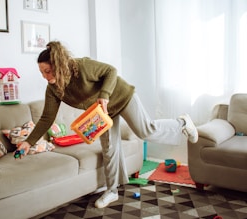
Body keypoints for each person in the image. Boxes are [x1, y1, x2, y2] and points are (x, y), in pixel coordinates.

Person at [16, 41, 198, 208]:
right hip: (103, 113)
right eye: (41, 72)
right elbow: (47, 118)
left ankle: (182, 122)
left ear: (59, 65)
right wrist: (28, 142)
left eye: (48, 71)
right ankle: (111, 191)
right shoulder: (54, 89)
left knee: (146, 131)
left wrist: (104, 95)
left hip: (121, 97)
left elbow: (110, 71)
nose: (45, 76)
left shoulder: (81, 67)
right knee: (109, 148)